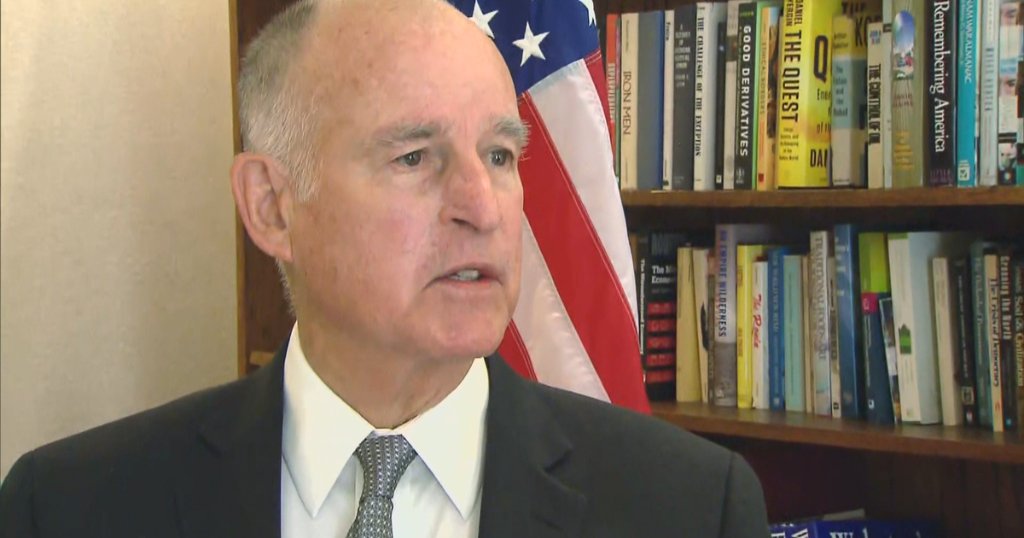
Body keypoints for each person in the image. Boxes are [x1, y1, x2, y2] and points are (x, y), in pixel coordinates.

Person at [0, 0, 769, 536]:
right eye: (414, 158)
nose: (483, 207)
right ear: (272, 206)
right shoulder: (67, 508)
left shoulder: (690, 508)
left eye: (500, 155)